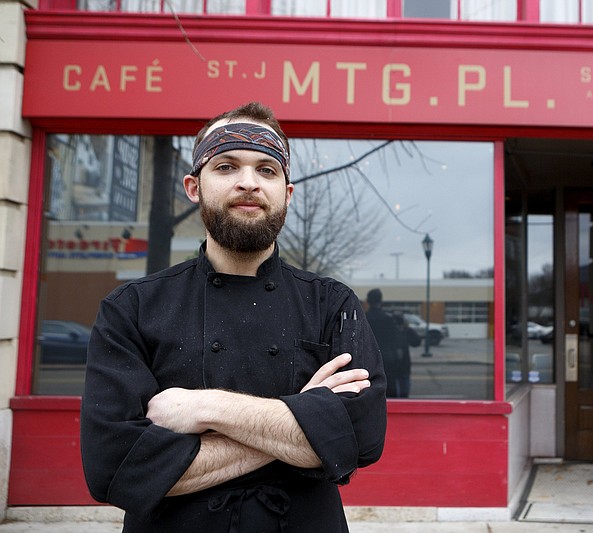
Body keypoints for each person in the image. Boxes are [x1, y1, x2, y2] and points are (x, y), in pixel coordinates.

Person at [80, 102, 387, 533]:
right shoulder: (131, 308)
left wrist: (204, 407)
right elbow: (114, 467)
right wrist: (307, 420)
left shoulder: (331, 304)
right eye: (226, 167)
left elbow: (362, 437)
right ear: (193, 187)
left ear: (288, 192)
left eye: (266, 170)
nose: (249, 183)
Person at [364, 288, 400, 398]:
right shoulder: (388, 319)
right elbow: (395, 341)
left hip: (368, 360)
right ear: (381, 301)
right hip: (387, 359)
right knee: (389, 390)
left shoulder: (364, 318)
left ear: (368, 301)